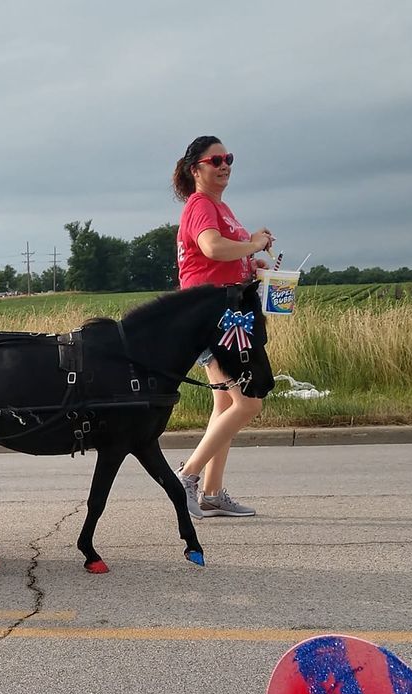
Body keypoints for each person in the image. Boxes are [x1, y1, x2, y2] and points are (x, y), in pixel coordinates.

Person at [172, 135, 274, 519]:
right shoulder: (200, 206)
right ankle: (187, 476)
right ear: (195, 169)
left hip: (226, 311)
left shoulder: (221, 207)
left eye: (229, 158)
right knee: (248, 401)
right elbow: (212, 248)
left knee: (226, 404)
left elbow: (219, 260)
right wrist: (252, 244)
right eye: (216, 160)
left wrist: (252, 264)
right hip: (211, 317)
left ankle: (212, 493)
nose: (225, 164)